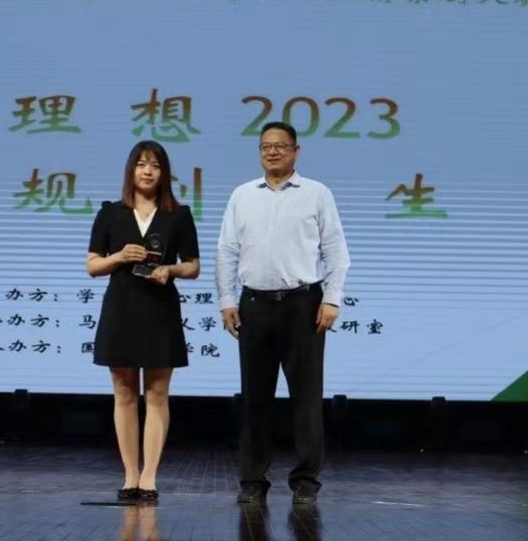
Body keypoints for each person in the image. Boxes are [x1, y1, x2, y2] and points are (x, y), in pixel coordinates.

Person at [216, 121, 350, 505]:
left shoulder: (317, 193)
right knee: (255, 398)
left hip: (303, 305)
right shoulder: (242, 195)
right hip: (254, 305)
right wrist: (227, 300)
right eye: (265, 146)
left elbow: (336, 251)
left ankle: (306, 481)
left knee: (306, 399)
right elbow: (227, 251)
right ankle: (252, 481)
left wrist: (332, 299)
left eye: (280, 146)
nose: (272, 152)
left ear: (296, 150)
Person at [87, 141, 200, 502]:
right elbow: (92, 265)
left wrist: (170, 270)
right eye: (141, 164)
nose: (147, 171)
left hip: (159, 309)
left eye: (155, 165)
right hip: (121, 309)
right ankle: (130, 475)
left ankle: (149, 477)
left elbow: (193, 266)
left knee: (156, 393)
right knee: (123, 392)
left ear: (164, 172)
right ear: (131, 170)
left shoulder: (178, 214)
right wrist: (119, 256)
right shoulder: (111, 213)